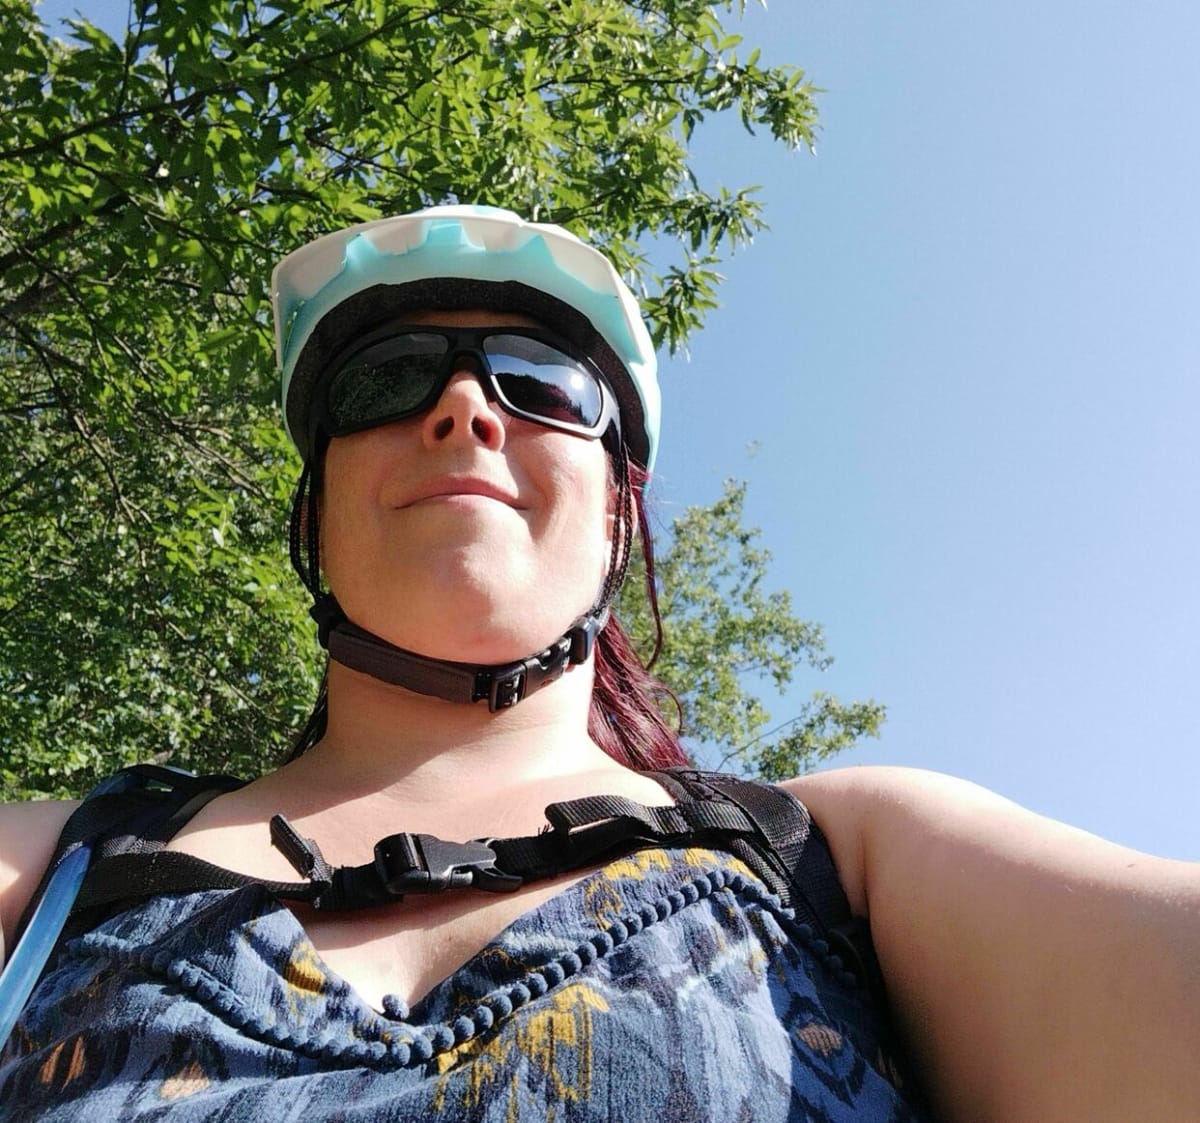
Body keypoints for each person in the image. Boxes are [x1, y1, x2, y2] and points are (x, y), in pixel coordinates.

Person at [0, 206, 1195, 1122]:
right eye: (387, 378)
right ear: (312, 515)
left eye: (542, 381)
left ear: (622, 516)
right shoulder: (52, 871)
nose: (464, 406)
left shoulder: (846, 857)